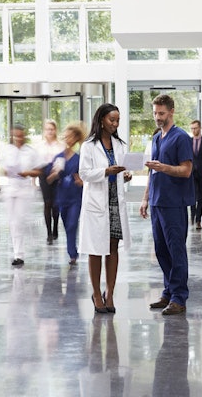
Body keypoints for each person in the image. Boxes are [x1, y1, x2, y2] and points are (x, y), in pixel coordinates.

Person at [140, 94, 195, 315]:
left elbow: (186, 170)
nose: (157, 117)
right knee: (161, 250)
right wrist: (145, 198)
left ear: (171, 111)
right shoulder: (156, 138)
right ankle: (169, 292)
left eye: (161, 113)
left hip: (174, 203)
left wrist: (165, 168)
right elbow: (152, 171)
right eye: (155, 113)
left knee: (176, 251)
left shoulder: (181, 138)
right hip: (157, 201)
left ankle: (179, 297)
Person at [79, 103, 132, 314]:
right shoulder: (88, 146)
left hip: (114, 203)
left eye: (118, 120)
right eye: (112, 120)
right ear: (101, 120)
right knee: (95, 250)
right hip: (96, 203)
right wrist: (106, 171)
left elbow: (121, 172)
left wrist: (124, 176)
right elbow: (84, 173)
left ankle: (109, 293)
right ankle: (95, 292)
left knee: (112, 248)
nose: (115, 124)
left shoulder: (119, 144)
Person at [0, 124, 43, 266]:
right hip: (10, 188)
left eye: (20, 135)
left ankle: (19, 254)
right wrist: (7, 171)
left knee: (19, 220)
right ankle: (17, 252)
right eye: (15, 135)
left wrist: (27, 173)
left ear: (24, 135)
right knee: (13, 222)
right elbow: (1, 168)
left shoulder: (30, 151)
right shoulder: (6, 150)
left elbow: (38, 171)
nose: (18, 138)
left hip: (24, 189)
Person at [46, 121, 86, 266]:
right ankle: (72, 251)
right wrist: (54, 174)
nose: (67, 139)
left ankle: (72, 254)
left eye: (71, 137)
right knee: (66, 224)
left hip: (75, 196)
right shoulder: (58, 157)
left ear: (76, 139)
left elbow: (86, 177)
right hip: (62, 196)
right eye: (66, 136)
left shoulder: (80, 158)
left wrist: (82, 182)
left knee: (72, 224)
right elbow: (49, 179)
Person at [36, 119, 65, 245]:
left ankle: (55, 228)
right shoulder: (39, 146)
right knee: (47, 203)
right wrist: (33, 180)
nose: (50, 131)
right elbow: (36, 164)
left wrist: (57, 174)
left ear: (55, 130)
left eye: (52, 129)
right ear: (44, 131)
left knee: (55, 204)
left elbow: (63, 161)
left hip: (57, 175)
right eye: (47, 129)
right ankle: (48, 233)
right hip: (43, 176)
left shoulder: (60, 145)